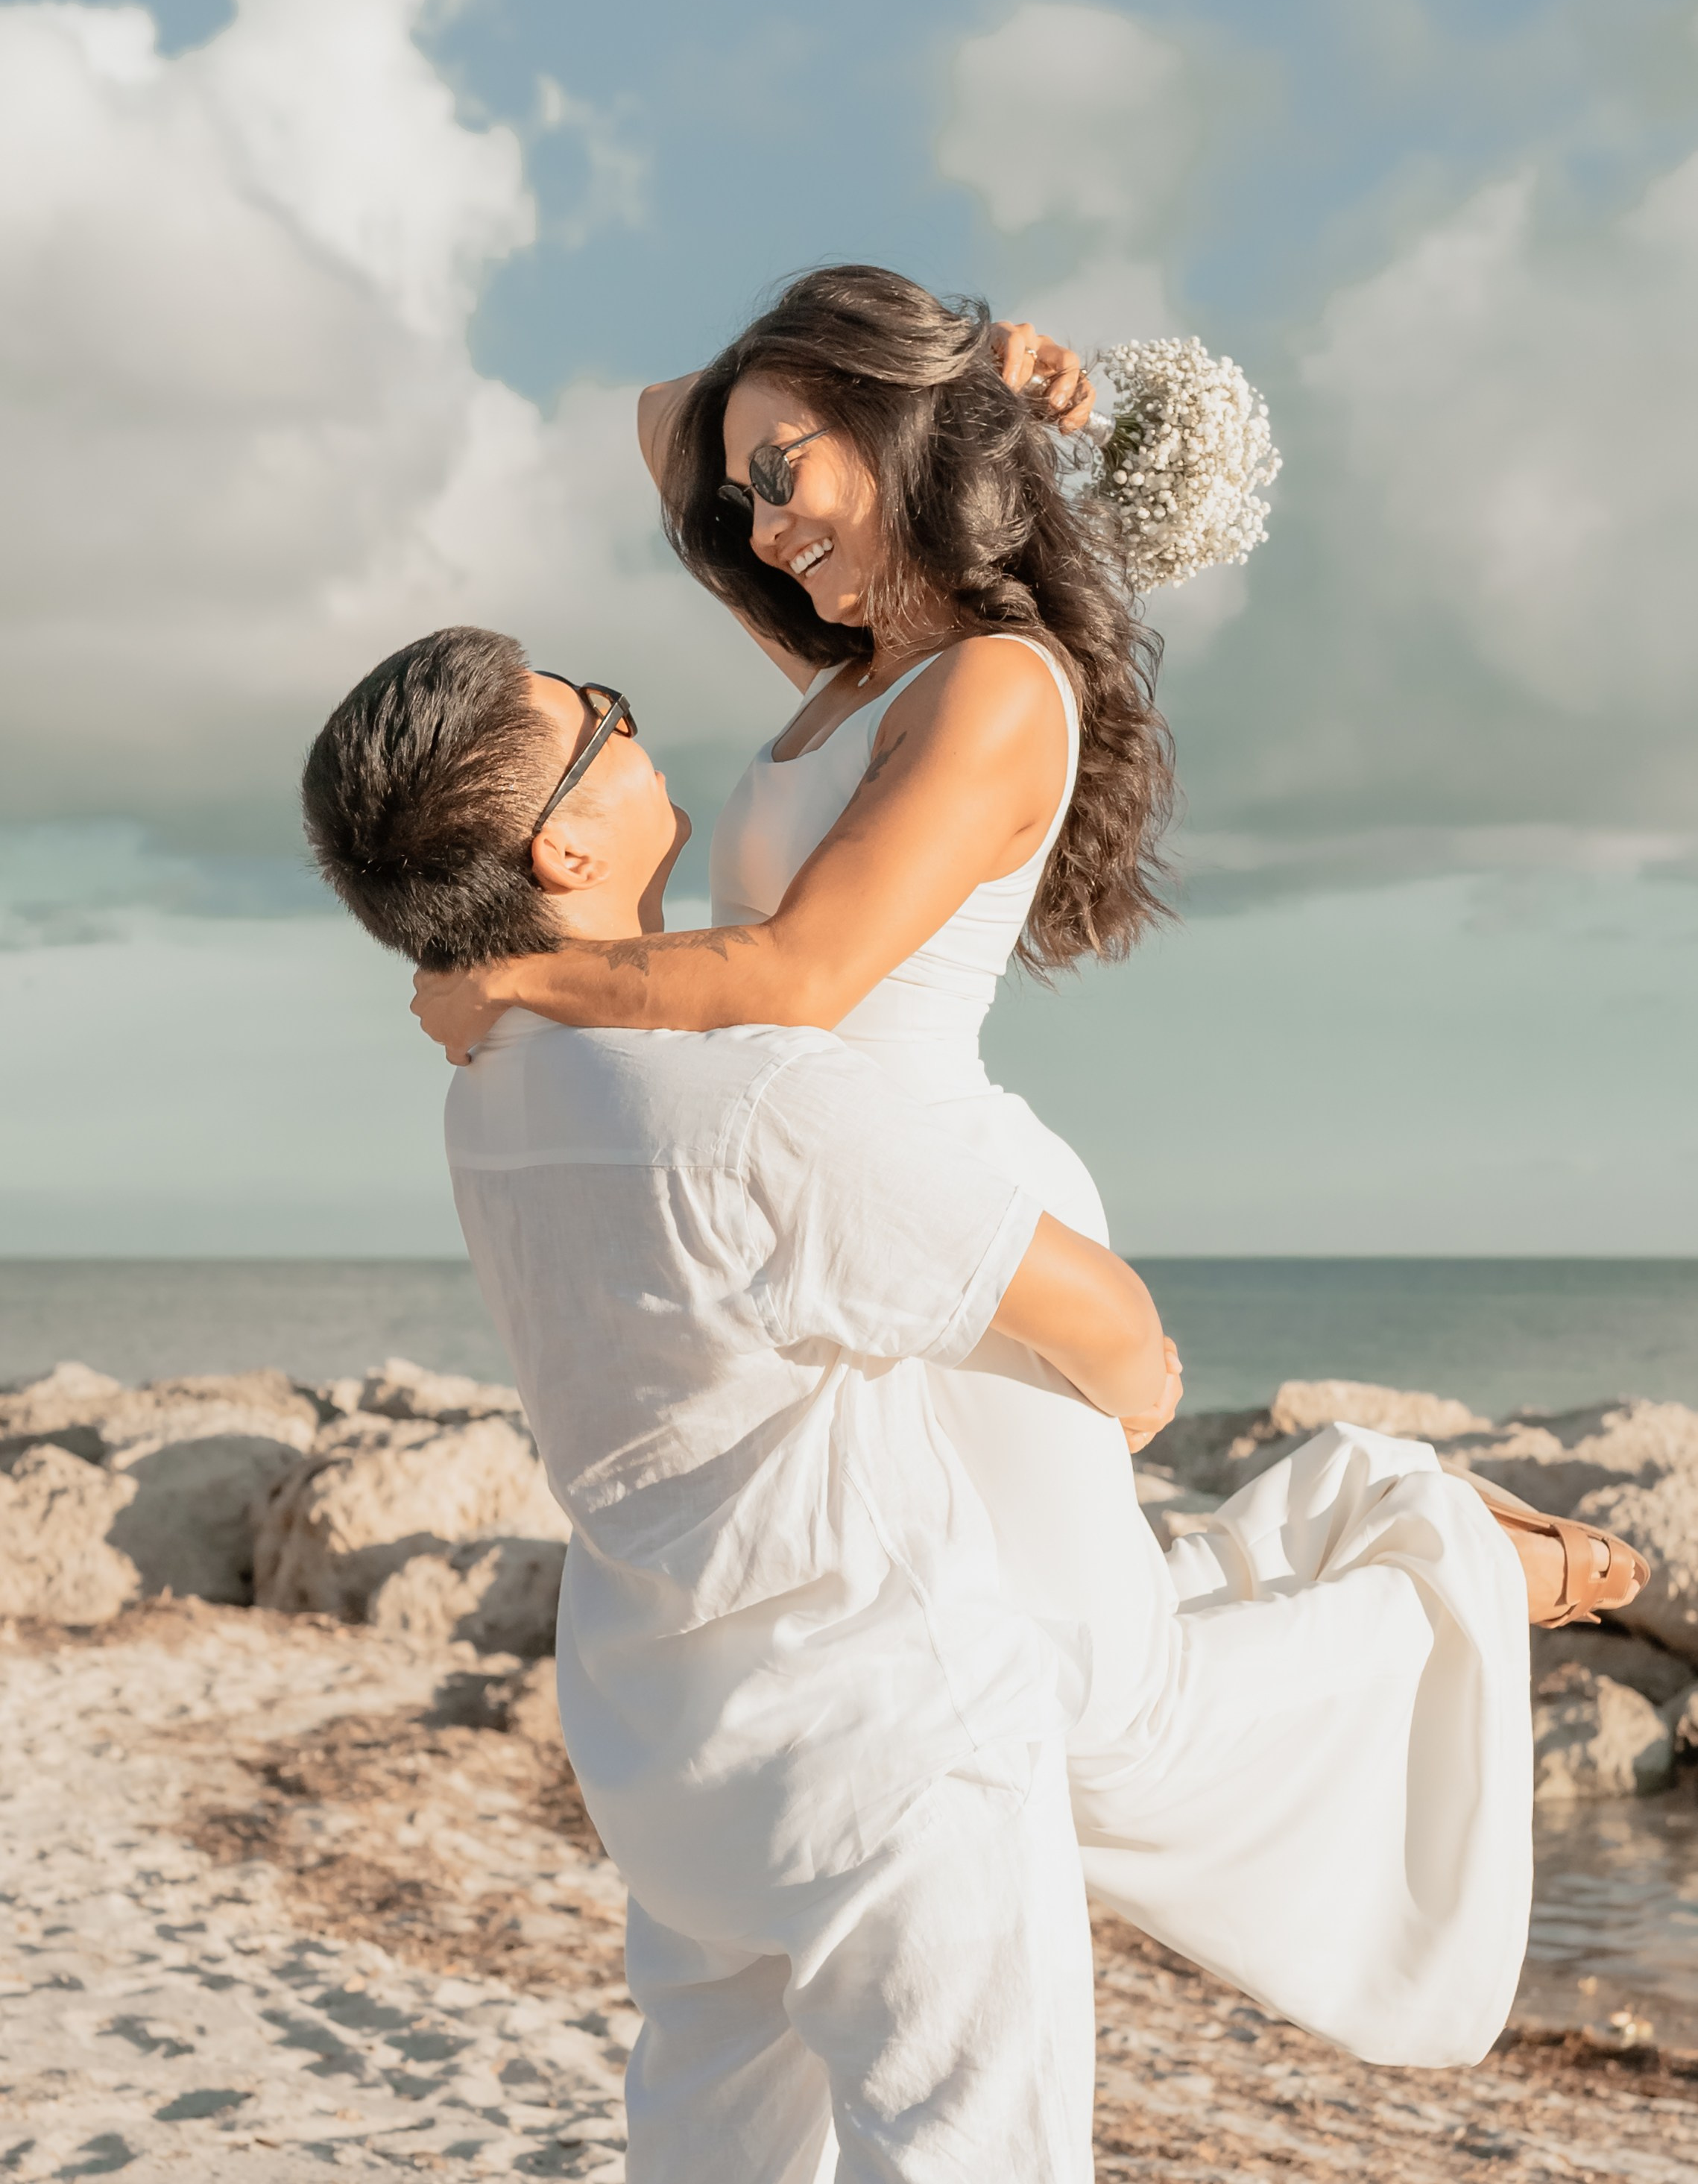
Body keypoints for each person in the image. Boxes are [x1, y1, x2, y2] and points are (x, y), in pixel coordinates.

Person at [405, 268, 1647, 2063]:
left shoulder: (990, 684)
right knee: (981, 1676)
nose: (756, 521)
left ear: (890, 434)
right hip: (816, 1225)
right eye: (745, 493)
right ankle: (1367, 1518)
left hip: (941, 1209)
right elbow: (660, 414)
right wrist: (944, 370)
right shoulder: (850, 667)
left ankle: (1444, 1558)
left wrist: (516, 968)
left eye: (790, 471)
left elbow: (796, 977)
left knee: (1097, 1728)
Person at [302, 625, 1187, 2184]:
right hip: (885, 1753)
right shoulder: (750, 1102)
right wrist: (1115, 1419)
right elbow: (1118, 1329)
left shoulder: (487, 1087)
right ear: (566, 837)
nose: (638, 727)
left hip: (671, 1752)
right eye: (601, 717)